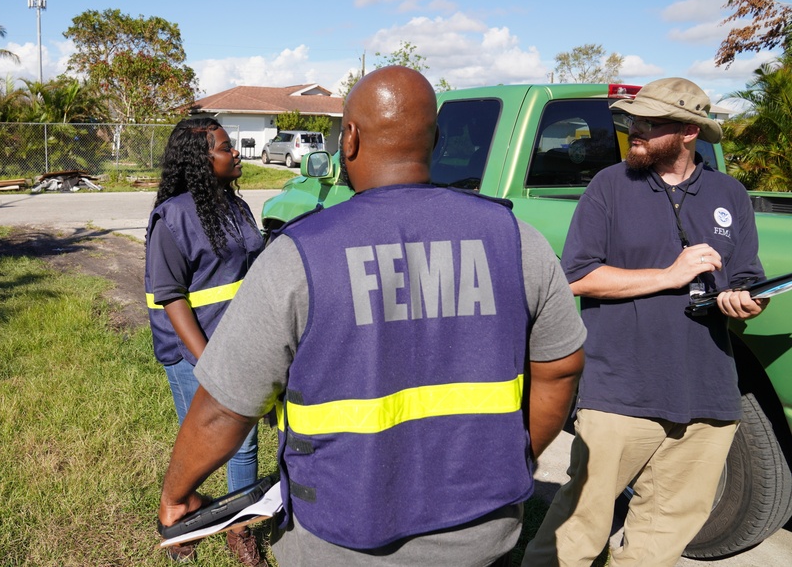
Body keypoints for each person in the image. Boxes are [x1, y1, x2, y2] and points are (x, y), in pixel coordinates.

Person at [157, 66, 586, 566]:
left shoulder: (300, 255)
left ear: (351, 139)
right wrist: (519, 455)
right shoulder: (517, 239)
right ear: (436, 140)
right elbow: (561, 367)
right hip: (482, 532)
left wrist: (177, 495)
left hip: (342, 537)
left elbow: (224, 408)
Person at [522, 77, 770, 567]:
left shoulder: (730, 194)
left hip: (708, 396)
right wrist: (669, 275)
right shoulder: (609, 186)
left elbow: (745, 276)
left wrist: (745, 300)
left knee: (660, 542)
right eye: (630, 119)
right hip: (621, 392)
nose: (633, 129)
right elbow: (578, 276)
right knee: (575, 533)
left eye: (649, 123)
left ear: (688, 133)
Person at [145, 117, 266, 565]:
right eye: (225, 147)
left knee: (243, 439)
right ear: (200, 160)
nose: (236, 153)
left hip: (241, 345)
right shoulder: (173, 217)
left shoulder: (236, 207)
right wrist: (209, 362)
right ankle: (181, 525)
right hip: (195, 351)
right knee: (201, 444)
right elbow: (171, 297)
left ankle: (240, 527)